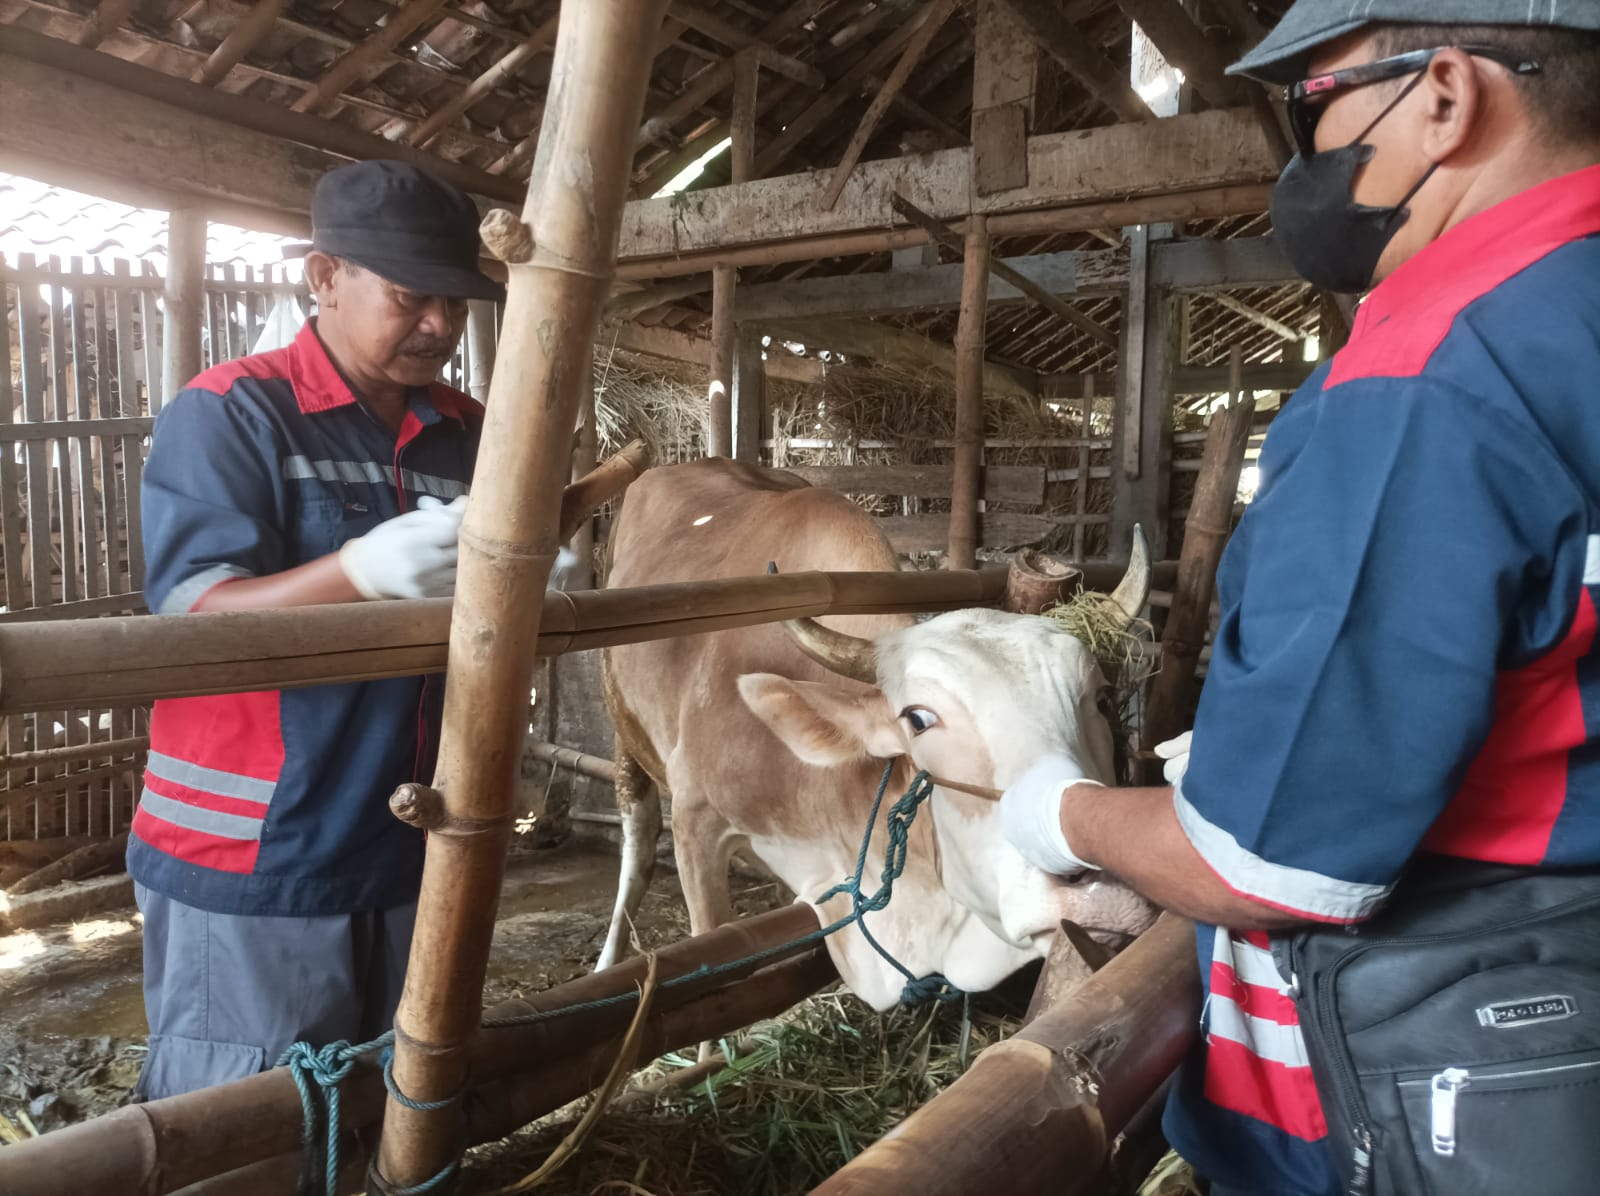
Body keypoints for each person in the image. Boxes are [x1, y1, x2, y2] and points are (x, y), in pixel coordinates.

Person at [999, 4, 1600, 1194]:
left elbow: (1261, 865)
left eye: (1313, 106)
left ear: (1442, 94)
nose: (1304, 158)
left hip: (1435, 1098)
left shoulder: (1429, 378)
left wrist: (1057, 810)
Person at [129, 160, 505, 1100]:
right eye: (413, 297)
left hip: (411, 834)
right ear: (325, 276)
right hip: (257, 847)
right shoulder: (231, 413)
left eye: (456, 304)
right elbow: (191, 613)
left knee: (394, 1093)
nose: (440, 327)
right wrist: (356, 572)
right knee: (251, 1113)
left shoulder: (472, 432)